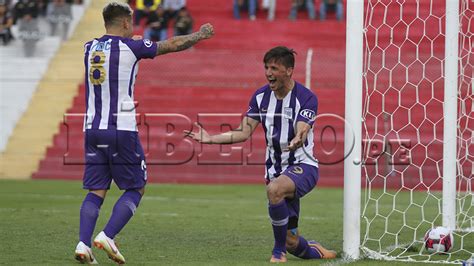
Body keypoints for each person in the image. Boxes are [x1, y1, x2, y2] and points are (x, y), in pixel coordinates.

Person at [74, 2, 214, 264]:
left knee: (96, 190)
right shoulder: (133, 47)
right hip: (121, 129)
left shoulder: (88, 47)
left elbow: (114, 51)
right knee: (137, 186)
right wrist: (199, 35)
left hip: (91, 128)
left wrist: (133, 43)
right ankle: (108, 235)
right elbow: (171, 45)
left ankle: (83, 243)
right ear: (126, 22)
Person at [184, 46, 336, 263]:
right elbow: (244, 131)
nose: (268, 73)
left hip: (304, 166)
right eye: (266, 67)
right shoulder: (261, 97)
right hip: (275, 170)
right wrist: (210, 139)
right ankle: (317, 251)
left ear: (289, 70)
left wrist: (298, 138)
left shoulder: (306, 97)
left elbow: (303, 127)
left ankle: (277, 252)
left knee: (274, 190)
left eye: (274, 68)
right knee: (292, 241)